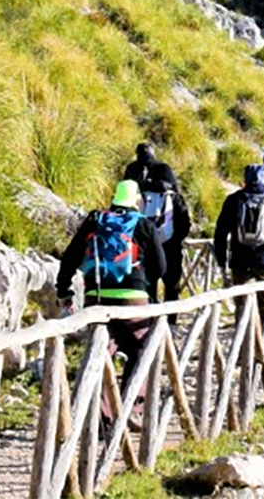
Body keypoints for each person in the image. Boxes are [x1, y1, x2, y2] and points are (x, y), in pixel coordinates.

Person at [56, 179, 167, 381]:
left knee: (101, 353)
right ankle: (131, 405)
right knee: (141, 350)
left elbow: (71, 257)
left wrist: (63, 290)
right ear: (136, 200)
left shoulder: (95, 220)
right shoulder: (144, 224)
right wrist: (145, 286)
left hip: (96, 295)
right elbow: (160, 267)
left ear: (114, 198)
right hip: (133, 297)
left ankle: (100, 410)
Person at [122, 142, 191, 301]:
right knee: (171, 284)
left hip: (143, 243)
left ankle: (151, 319)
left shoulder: (132, 170)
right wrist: (176, 239)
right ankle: (171, 323)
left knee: (148, 283)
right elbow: (183, 218)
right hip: (169, 242)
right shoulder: (166, 172)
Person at [213, 164, 264, 283]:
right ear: (263, 179)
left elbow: (220, 233)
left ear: (245, 179)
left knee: (243, 299)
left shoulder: (233, 200)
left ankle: (244, 303)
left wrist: (222, 262)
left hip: (240, 262)